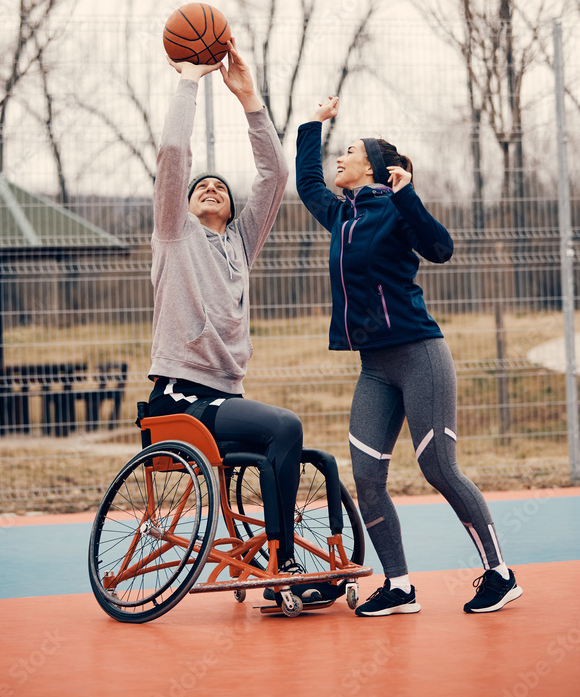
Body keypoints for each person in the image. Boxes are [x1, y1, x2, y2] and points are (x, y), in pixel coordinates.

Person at [295, 95, 523, 616]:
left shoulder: (396, 208)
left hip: (420, 354)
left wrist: (408, 197)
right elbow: (308, 182)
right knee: (367, 478)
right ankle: (398, 586)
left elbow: (440, 248)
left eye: (348, 150)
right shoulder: (341, 214)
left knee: (439, 468)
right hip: (375, 367)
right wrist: (313, 124)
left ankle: (499, 573)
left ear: (373, 167)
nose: (340, 157)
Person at [147, 38, 322, 603]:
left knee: (284, 438)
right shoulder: (174, 234)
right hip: (180, 398)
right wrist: (189, 82)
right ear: (185, 201)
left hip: (225, 397)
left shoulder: (240, 245)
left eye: (219, 186)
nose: (210, 188)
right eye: (201, 187)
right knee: (286, 426)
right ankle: (284, 563)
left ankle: (277, 564)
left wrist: (250, 100)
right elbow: (174, 156)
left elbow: (273, 178)